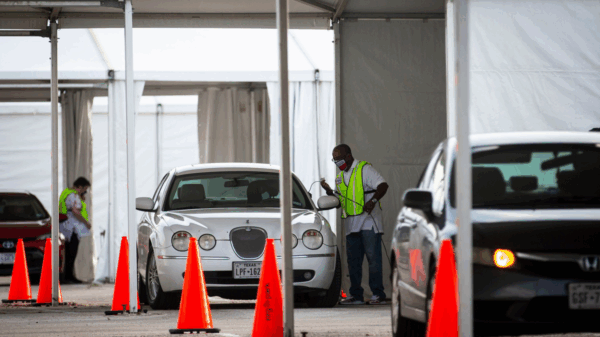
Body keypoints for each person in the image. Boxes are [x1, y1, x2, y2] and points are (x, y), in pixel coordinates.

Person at [320, 144, 389, 305]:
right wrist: (330, 192)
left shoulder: (364, 169)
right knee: (353, 262)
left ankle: (378, 294)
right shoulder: (339, 178)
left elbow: (383, 186)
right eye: (334, 160)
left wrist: (372, 201)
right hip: (351, 225)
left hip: (369, 222)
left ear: (349, 156)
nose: (337, 162)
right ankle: (356, 295)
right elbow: (341, 203)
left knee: (373, 259)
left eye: (339, 159)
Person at [59, 177, 91, 283]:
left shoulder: (67, 193)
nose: (85, 192)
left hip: (66, 228)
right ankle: (68, 277)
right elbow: (75, 211)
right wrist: (86, 223)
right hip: (71, 229)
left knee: (68, 253)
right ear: (80, 187)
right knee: (71, 254)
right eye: (85, 189)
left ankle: (68, 276)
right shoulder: (73, 196)